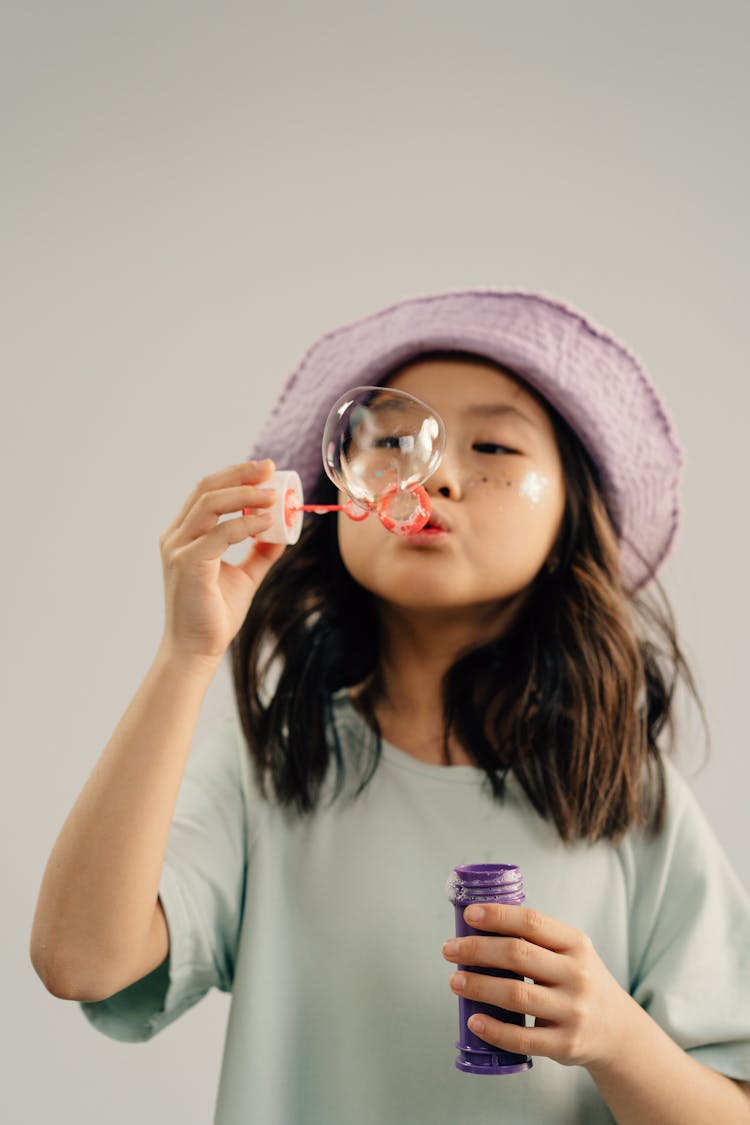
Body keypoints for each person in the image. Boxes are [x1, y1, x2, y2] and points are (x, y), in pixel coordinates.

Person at [30, 290, 750, 1124]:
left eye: (490, 445)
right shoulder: (276, 761)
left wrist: (619, 1036)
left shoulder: (627, 792)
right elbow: (79, 962)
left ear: (570, 522)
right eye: (392, 444)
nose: (433, 474)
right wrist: (187, 653)